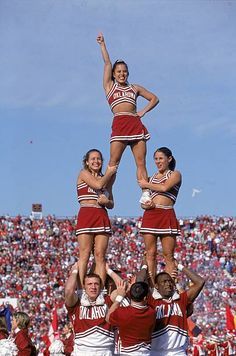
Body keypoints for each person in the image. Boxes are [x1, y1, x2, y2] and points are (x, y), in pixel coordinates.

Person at [97, 33, 159, 203]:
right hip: (119, 123)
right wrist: (103, 45)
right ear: (114, 74)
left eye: (124, 71)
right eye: (119, 72)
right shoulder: (109, 87)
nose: (122, 74)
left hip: (135, 123)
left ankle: (145, 192)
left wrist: (143, 111)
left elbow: (154, 98)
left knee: (141, 162)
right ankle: (108, 191)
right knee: (113, 163)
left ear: (128, 73)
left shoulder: (135, 88)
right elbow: (107, 63)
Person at [138, 147, 182, 277]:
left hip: (166, 214)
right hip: (150, 215)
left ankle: (170, 286)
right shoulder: (151, 178)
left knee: (168, 255)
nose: (158, 161)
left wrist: (145, 184)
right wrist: (147, 205)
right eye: (156, 159)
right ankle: (152, 287)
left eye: (161, 158)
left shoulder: (175, 174)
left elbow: (164, 187)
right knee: (150, 253)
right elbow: (143, 203)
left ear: (169, 159)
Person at [76, 148, 117, 286]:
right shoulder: (83, 173)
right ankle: (82, 288)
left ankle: (100, 290)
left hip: (101, 215)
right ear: (87, 162)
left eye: (99, 158)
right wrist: (109, 173)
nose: (96, 161)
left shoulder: (106, 179)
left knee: (100, 255)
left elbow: (111, 203)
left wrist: (107, 202)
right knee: (85, 254)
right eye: (93, 159)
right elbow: (98, 184)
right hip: (86, 214)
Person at [148, 263, 205, 356]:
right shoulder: (152, 302)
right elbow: (138, 289)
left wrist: (179, 266)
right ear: (157, 286)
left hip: (178, 352)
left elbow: (200, 282)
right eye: (164, 281)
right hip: (155, 352)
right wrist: (144, 266)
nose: (168, 284)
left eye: (170, 281)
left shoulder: (181, 300)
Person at [65, 262, 115, 356]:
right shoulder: (77, 303)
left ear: (100, 286)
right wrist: (75, 271)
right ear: (84, 287)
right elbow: (68, 291)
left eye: (96, 284)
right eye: (90, 284)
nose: (93, 287)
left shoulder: (107, 301)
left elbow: (122, 290)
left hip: (105, 351)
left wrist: (109, 271)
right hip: (83, 352)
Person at [106, 280, 156, 356]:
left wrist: (120, 297)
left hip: (127, 352)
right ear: (145, 298)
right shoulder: (152, 312)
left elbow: (108, 318)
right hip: (146, 352)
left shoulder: (123, 313)